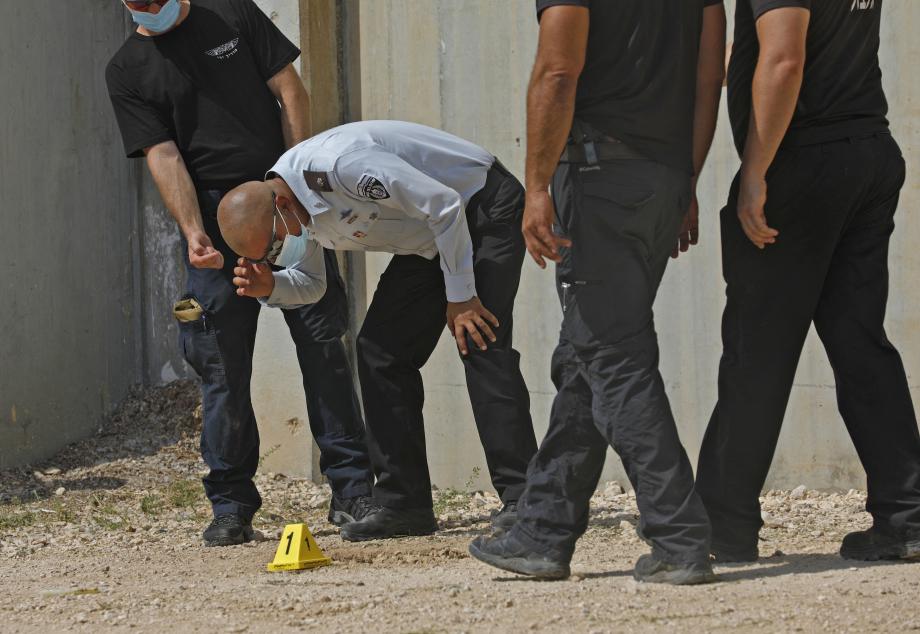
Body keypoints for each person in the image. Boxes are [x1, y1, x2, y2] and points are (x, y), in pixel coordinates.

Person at [468, 0, 726, 585]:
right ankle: (543, 530)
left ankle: (679, 537)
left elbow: (558, 71)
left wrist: (537, 186)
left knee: (613, 357)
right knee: (587, 353)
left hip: (598, 176)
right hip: (661, 179)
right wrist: (686, 180)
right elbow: (708, 77)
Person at [105, 0, 374, 547]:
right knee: (220, 365)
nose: (149, 8)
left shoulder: (230, 12)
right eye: (138, 3)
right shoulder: (128, 68)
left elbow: (290, 91)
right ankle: (230, 504)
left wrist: (295, 186)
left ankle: (353, 491)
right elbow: (163, 155)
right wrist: (192, 231)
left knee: (322, 347)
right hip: (211, 216)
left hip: (278, 200)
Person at [217, 119, 539, 541]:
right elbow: (313, 285)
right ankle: (404, 505)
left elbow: (444, 204)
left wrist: (461, 297)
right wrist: (271, 286)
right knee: (379, 352)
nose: (279, 254)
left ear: (281, 205)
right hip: (431, 239)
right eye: (269, 256)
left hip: (479, 206)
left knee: (479, 341)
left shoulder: (340, 167)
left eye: (275, 246)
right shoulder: (295, 210)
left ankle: (527, 499)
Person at [695, 0, 920, 563]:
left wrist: (754, 172)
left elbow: (785, 59)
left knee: (757, 351)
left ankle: (724, 527)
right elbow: (804, 45)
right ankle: (907, 517)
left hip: (802, 161)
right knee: (860, 342)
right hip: (867, 150)